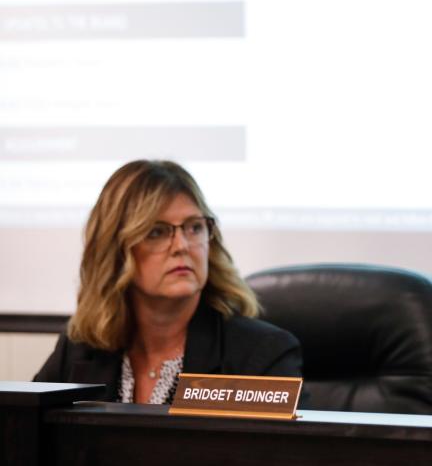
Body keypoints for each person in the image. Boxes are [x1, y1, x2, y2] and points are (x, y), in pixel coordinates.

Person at [35, 160, 302, 404]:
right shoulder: (79, 350)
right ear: (115, 250)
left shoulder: (260, 355)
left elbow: (283, 456)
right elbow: (23, 440)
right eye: (157, 232)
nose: (181, 246)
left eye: (194, 227)